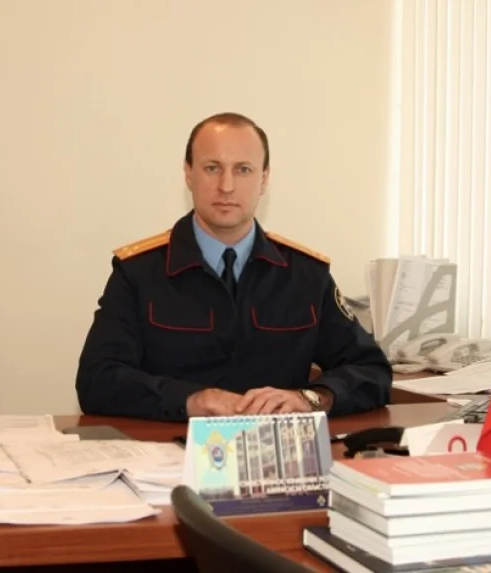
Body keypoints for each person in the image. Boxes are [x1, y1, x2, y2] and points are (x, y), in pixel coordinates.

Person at [75, 112, 393, 422]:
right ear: (188, 174)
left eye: (243, 170)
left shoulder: (305, 275)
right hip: (171, 449)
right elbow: (97, 380)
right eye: (212, 168)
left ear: (264, 179)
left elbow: (371, 370)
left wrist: (309, 398)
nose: (226, 186)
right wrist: (191, 401)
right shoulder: (139, 272)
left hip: (274, 451)